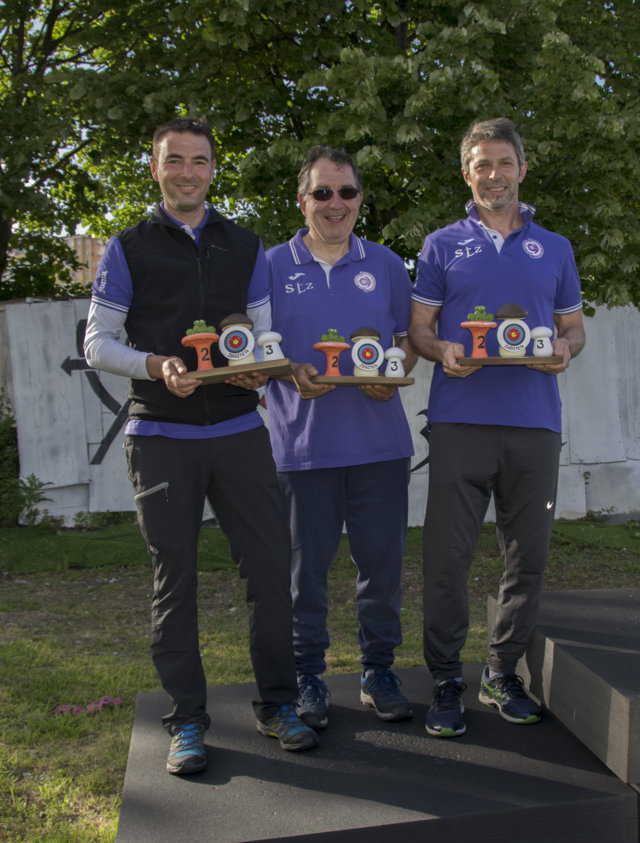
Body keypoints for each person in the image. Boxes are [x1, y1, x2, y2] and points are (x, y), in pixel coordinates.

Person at [83, 116, 318, 775]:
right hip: (160, 435)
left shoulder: (245, 244)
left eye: (199, 160)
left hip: (240, 432)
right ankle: (187, 720)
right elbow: (97, 345)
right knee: (175, 579)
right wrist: (157, 365)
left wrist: (257, 367)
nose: (187, 171)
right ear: (155, 168)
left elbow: (261, 338)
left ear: (214, 168)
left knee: (270, 572)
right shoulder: (127, 247)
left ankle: (279, 705)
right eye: (174, 160)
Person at [408, 118, 585, 738]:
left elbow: (574, 330)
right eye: (482, 164)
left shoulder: (555, 247)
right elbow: (419, 328)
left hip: (535, 423)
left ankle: (501, 671)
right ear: (467, 173)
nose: (494, 174)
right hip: (461, 421)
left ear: (522, 169)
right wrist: (441, 351)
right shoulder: (441, 245)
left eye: (504, 162)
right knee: (446, 558)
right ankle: (446, 678)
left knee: (527, 557)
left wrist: (564, 350)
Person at [263, 145, 417, 729]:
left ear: (360, 199)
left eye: (347, 192)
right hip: (301, 450)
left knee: (381, 570)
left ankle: (379, 670)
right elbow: (250, 346)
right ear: (302, 201)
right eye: (322, 193)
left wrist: (394, 374)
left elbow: (408, 340)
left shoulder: (388, 265)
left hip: (380, 447)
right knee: (304, 577)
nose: (336, 203)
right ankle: (307, 676)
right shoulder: (269, 267)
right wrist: (287, 371)